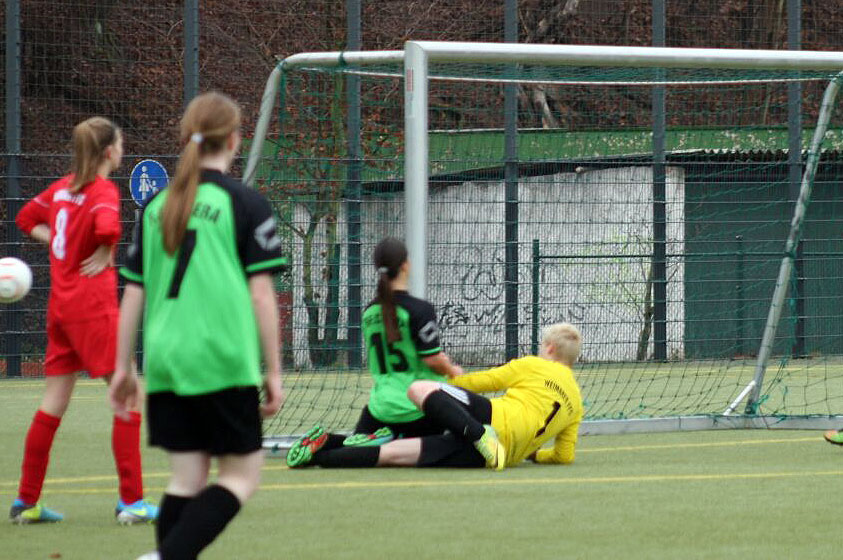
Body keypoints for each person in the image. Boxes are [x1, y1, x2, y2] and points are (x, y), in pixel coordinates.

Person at [110, 91, 285, 560]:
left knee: (186, 479)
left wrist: (123, 366)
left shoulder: (156, 207)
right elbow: (261, 295)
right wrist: (273, 370)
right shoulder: (246, 203)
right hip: (222, 358)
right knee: (241, 477)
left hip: (167, 360)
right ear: (235, 139)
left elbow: (134, 292)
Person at [11, 117, 157, 525]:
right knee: (129, 395)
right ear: (109, 151)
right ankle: (132, 502)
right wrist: (105, 248)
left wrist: (65, 243)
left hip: (60, 308)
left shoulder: (61, 189)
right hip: (92, 308)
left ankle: (26, 502)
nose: (123, 149)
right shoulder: (102, 191)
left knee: (53, 402)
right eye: (121, 143)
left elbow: (26, 218)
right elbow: (107, 227)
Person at [287, 323, 583, 471]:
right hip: (499, 457)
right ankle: (321, 453)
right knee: (392, 455)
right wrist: (534, 454)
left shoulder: (535, 365)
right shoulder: (577, 404)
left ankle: (478, 433)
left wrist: (444, 379)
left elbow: (484, 381)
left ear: (550, 349)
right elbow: (564, 456)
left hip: (491, 418)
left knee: (419, 389)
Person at [285, 237, 462, 468]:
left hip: (379, 408)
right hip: (417, 408)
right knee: (446, 447)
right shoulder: (420, 310)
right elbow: (432, 359)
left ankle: (327, 441)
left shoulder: (370, 312)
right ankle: (326, 455)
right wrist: (453, 370)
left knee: (356, 443)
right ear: (406, 265)